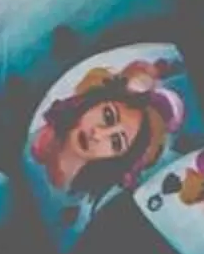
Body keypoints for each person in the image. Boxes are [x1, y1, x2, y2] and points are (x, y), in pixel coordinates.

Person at [29, 60, 186, 203]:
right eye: (108, 116)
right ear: (93, 103)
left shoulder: (82, 204)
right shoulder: (37, 138)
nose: (98, 134)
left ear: (117, 159)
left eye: (116, 142)